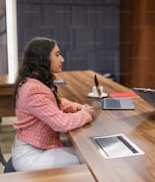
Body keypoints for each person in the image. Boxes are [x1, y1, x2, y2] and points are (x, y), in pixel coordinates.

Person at [11, 37, 95, 171]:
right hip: (32, 156)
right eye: (57, 55)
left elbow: (55, 101)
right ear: (43, 58)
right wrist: (85, 114)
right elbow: (61, 123)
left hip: (40, 146)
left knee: (89, 148)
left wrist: (77, 107)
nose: (62, 59)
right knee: (91, 159)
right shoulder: (34, 89)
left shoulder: (34, 79)